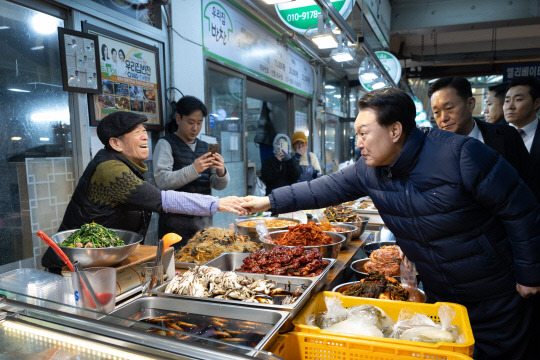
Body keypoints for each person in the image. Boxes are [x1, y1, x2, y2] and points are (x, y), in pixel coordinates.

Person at [244, 88, 540, 360]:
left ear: (395, 130)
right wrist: (267, 202)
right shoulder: (368, 170)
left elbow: (521, 210)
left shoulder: (462, 154)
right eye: (356, 135)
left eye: (364, 133)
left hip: (496, 292)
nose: (358, 143)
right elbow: (322, 188)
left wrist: (529, 273)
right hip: (441, 294)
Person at [42, 112, 246, 272]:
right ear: (116, 143)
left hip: (101, 262)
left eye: (144, 130)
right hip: (73, 264)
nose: (144, 136)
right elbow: (160, 200)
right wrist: (215, 204)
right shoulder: (110, 170)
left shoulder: (128, 165)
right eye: (136, 132)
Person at [153, 96, 230, 247]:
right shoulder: (165, 144)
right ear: (178, 118)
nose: (195, 128)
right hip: (174, 223)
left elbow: (217, 184)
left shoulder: (206, 146)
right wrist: (194, 169)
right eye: (190, 122)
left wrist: (221, 172)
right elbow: (162, 181)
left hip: (203, 222)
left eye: (199, 123)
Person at [429, 76, 530, 182]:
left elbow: (528, 180)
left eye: (449, 108)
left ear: (470, 104)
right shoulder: (431, 151)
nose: (443, 118)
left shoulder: (507, 136)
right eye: (436, 112)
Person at [504, 76, 540, 201]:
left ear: (537, 103)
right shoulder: (492, 135)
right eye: (507, 101)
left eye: (518, 99)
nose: (510, 106)